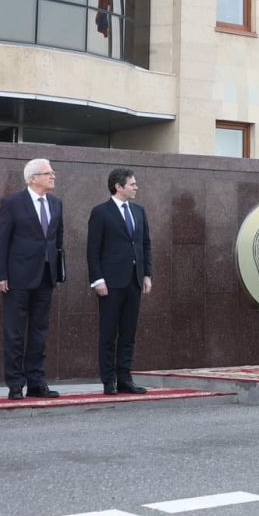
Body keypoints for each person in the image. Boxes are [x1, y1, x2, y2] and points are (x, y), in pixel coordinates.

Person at [0, 158, 64, 399]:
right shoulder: (13, 203)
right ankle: (15, 383)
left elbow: (57, 240)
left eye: (52, 172)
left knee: (39, 332)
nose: (53, 176)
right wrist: (0, 274)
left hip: (46, 276)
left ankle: (36, 382)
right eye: (48, 173)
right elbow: (1, 241)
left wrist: (58, 271)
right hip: (17, 277)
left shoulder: (56, 203)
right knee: (14, 332)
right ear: (33, 178)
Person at [87, 168, 152, 394]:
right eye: (132, 184)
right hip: (110, 283)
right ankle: (109, 380)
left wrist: (147, 274)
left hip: (134, 280)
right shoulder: (101, 212)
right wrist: (97, 280)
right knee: (108, 333)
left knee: (128, 333)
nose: (136, 187)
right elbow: (93, 249)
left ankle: (125, 378)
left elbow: (145, 244)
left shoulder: (139, 211)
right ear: (118, 186)